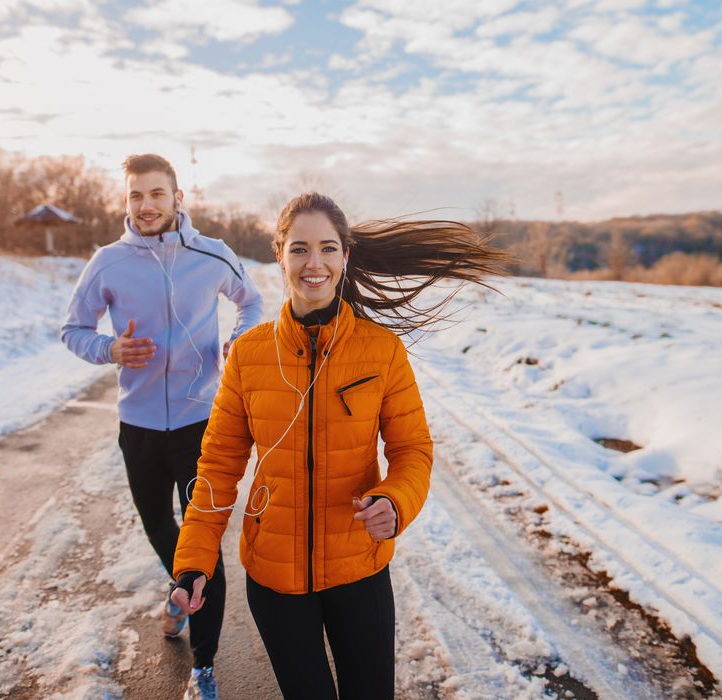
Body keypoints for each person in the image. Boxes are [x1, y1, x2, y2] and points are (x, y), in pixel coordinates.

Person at [170, 192, 507, 699]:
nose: (315, 263)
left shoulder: (381, 350)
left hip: (359, 569)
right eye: (300, 249)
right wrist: (193, 560)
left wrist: (396, 501)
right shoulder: (249, 355)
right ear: (279, 254)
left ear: (345, 256)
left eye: (328, 248)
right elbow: (217, 466)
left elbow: (412, 449)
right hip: (274, 577)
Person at [60, 153, 263, 700]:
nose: (145, 205)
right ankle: (182, 590)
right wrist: (110, 349)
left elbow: (253, 301)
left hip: (203, 425)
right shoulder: (107, 262)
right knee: (158, 527)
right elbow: (72, 329)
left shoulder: (211, 254)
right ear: (126, 201)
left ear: (178, 198)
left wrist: (241, 337)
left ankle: (204, 664)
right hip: (141, 427)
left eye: (156, 193)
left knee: (204, 541)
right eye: (135, 195)